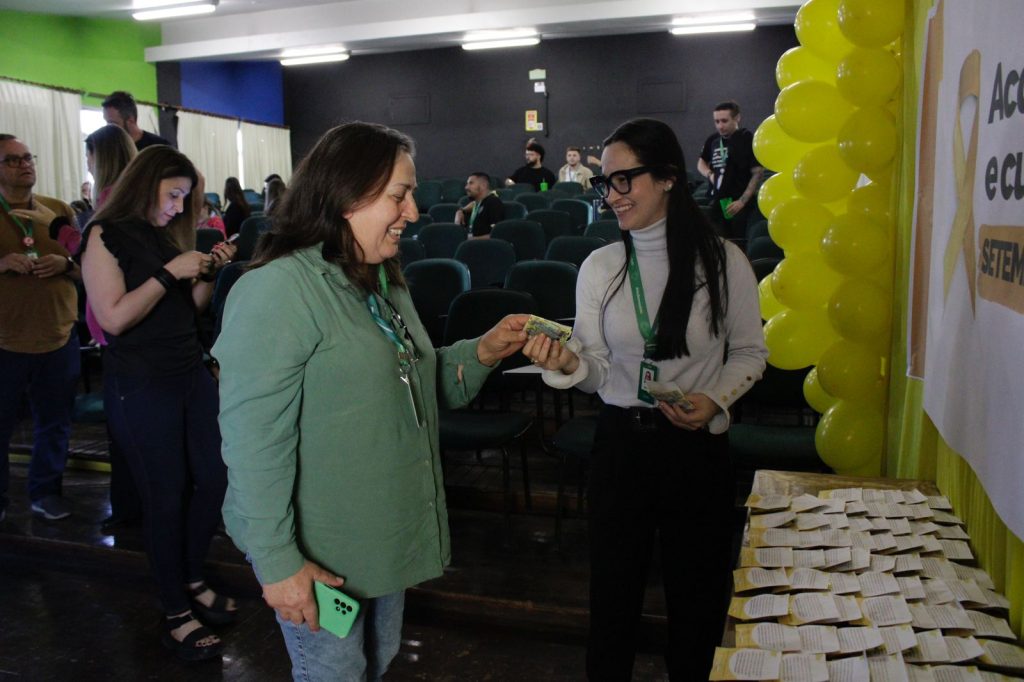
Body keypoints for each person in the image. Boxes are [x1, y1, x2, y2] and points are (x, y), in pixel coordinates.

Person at [213, 121, 530, 681]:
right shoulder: (277, 291)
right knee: (335, 674)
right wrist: (279, 564)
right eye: (399, 196)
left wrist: (483, 350)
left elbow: (410, 390)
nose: (412, 212)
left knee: (373, 663)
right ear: (345, 195)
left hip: (379, 539)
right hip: (321, 556)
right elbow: (253, 443)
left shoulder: (380, 279)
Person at [523, 118, 767, 680]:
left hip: (695, 449)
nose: (612, 195)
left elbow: (751, 353)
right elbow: (596, 369)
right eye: (605, 183)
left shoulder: (724, 262)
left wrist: (715, 402)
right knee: (612, 599)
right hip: (621, 448)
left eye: (624, 180)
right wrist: (569, 365)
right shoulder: (601, 268)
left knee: (697, 597)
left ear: (668, 179)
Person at [79, 145, 238, 661]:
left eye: (184, 198)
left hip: (189, 371)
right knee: (165, 494)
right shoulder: (104, 235)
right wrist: (170, 272)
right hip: (141, 383)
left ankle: (191, 575)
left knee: (214, 477)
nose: (177, 207)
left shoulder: (162, 236)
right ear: (145, 184)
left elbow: (187, 309)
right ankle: (175, 610)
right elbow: (115, 317)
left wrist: (207, 273)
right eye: (173, 195)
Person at [0, 134, 81, 523]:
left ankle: (46, 492)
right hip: (5, 339)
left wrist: (65, 265)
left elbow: (90, 265)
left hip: (58, 332)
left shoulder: (57, 210)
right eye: (13, 160)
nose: (24, 164)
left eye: (28, 157)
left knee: (55, 422)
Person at [83, 123, 143, 533]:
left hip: (120, 327)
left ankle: (126, 512)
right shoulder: (139, 199)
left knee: (123, 429)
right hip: (131, 326)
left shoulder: (108, 207)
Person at [697, 100, 764, 243]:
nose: (720, 126)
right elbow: (701, 162)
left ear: (737, 118)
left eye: (724, 121)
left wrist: (742, 201)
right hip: (717, 200)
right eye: (716, 122)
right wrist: (710, 174)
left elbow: (757, 173)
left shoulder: (747, 138)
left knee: (737, 244)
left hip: (739, 203)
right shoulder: (713, 139)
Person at [102, 90, 171, 151]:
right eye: (107, 122)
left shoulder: (160, 147)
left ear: (130, 120)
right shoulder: (109, 148)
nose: (108, 127)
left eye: (113, 123)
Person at [453, 172, 504, 238]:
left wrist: (472, 241)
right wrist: (460, 211)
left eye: (471, 183)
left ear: (483, 185)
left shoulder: (494, 203)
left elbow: (497, 234)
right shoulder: (475, 205)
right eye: (467, 184)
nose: (466, 187)